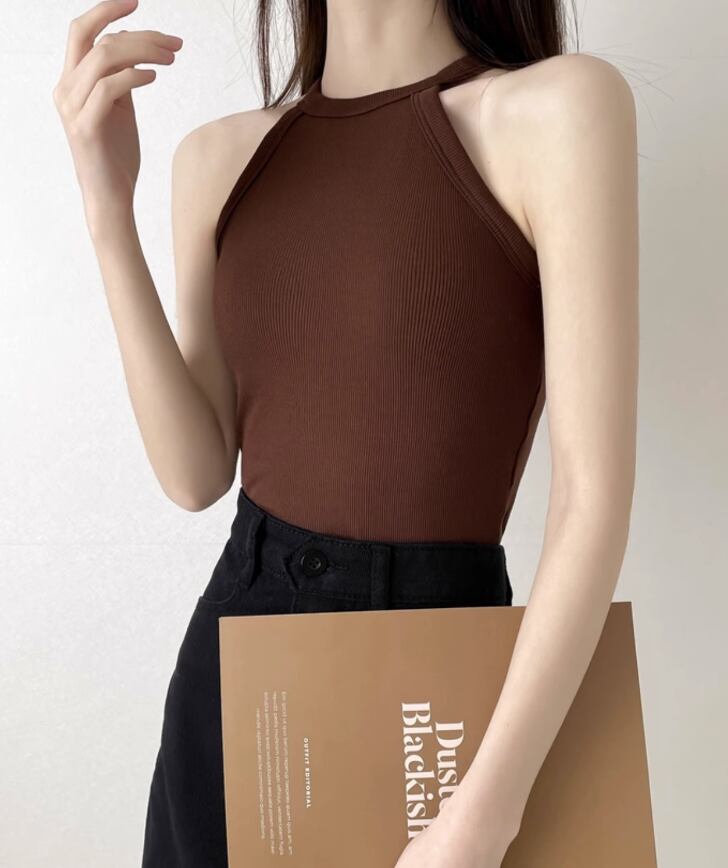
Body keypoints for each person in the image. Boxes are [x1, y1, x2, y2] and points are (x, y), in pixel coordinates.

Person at [53, 0, 639, 865]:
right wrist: (108, 210)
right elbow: (195, 472)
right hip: (237, 693)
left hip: (437, 720)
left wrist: (483, 817)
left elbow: (590, 502)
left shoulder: (557, 110)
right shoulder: (218, 158)